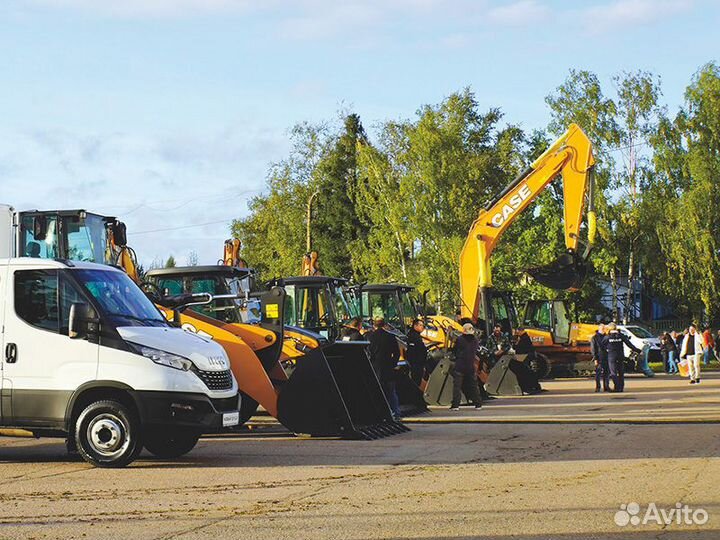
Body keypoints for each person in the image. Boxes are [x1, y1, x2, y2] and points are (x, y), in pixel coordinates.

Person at [367, 317, 402, 418]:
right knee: (391, 392)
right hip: (388, 367)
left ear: (374, 325)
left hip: (375, 368)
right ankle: (395, 413)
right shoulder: (390, 337)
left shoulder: (370, 337)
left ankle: (380, 414)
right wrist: (393, 363)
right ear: (384, 325)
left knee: (377, 393)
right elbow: (397, 353)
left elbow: (369, 352)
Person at [450, 323, 482, 410]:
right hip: (470, 365)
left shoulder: (460, 339)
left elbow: (454, 351)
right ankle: (478, 403)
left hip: (460, 365)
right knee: (473, 385)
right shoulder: (475, 340)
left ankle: (455, 405)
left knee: (457, 386)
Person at [602, 323, 641, 393]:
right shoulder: (621, 336)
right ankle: (621, 387)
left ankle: (617, 387)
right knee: (620, 372)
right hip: (620, 355)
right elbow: (629, 344)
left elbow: (602, 346)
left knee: (613, 372)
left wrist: (605, 352)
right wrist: (638, 350)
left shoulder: (607, 337)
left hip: (611, 356)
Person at [405, 318, 428, 386]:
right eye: (420, 325)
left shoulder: (415, 336)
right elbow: (417, 350)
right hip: (416, 363)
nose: (422, 327)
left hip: (416, 363)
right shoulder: (414, 337)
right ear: (415, 326)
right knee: (416, 381)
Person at [590, 323, 610, 392]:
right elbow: (593, 349)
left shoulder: (607, 336)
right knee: (598, 373)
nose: (604, 330)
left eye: (605, 328)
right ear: (599, 329)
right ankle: (598, 387)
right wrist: (595, 358)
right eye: (603, 329)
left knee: (606, 373)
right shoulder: (594, 338)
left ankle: (606, 386)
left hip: (606, 357)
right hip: (599, 357)